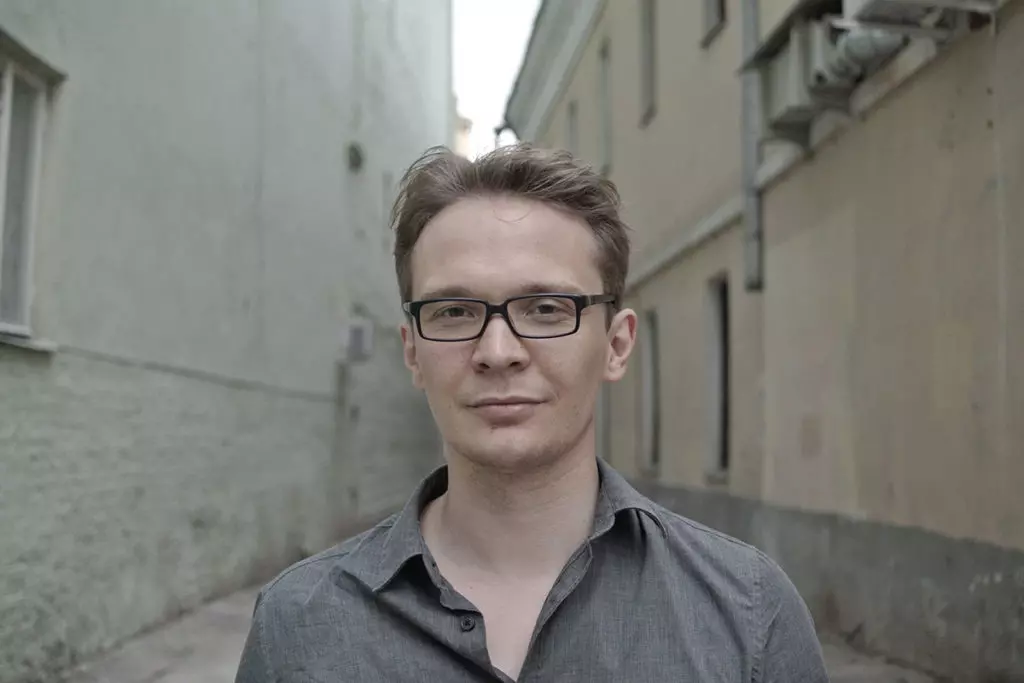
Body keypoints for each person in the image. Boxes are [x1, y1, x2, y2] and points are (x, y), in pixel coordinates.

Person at [234, 144, 829, 682]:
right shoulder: (299, 628)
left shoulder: (749, 614)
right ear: (412, 352)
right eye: (454, 312)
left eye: (546, 308)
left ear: (617, 344)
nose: (498, 353)